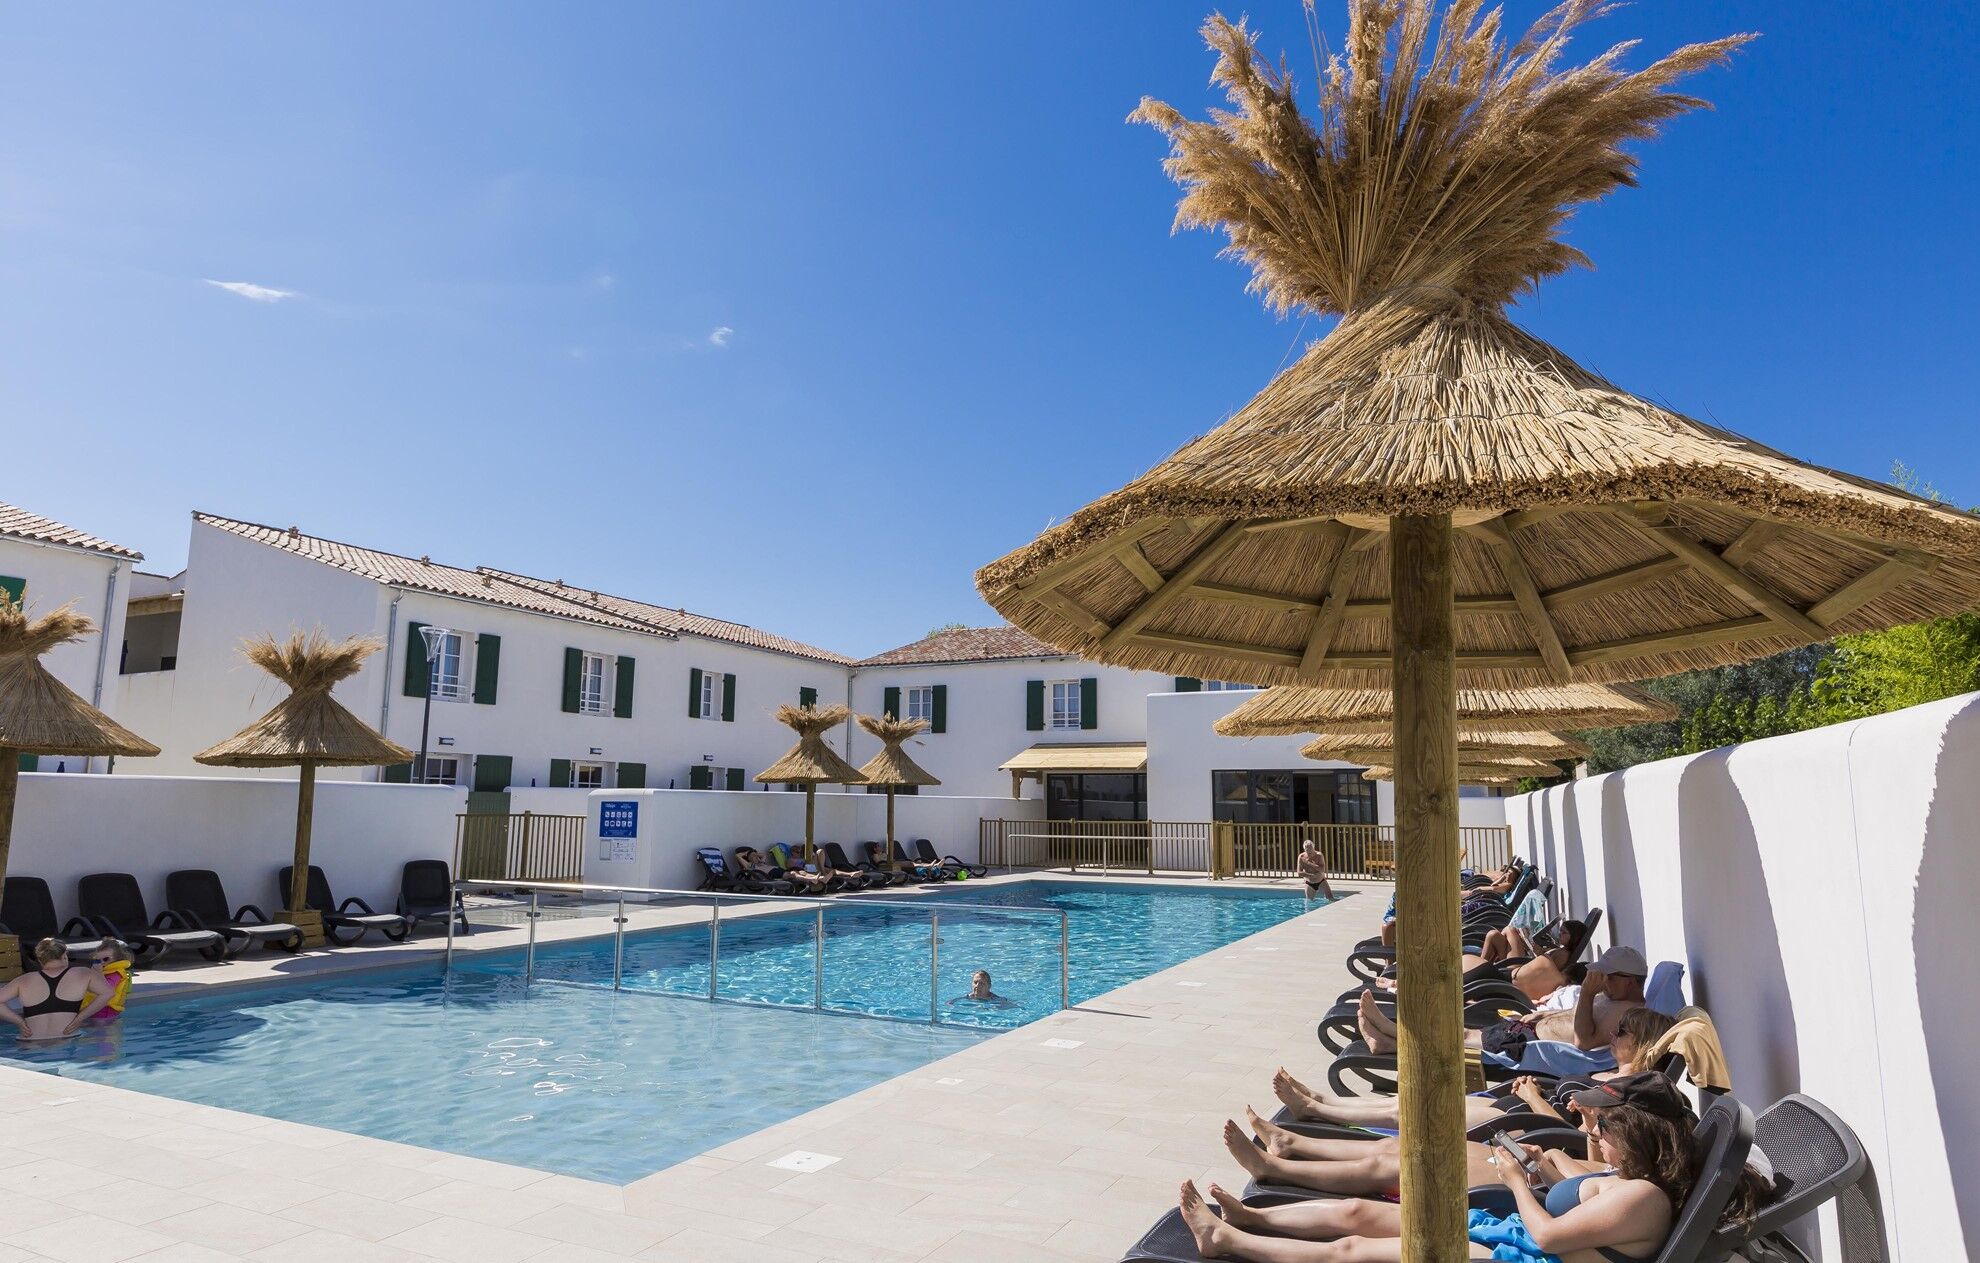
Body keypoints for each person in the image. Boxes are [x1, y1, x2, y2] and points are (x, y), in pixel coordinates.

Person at [1177, 1073, 1772, 1262]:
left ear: (1638, 1133)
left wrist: (1516, 1181)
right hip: (1506, 1236)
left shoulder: (1645, 1199)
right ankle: (1255, 1217)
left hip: (1513, 1256)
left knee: (1352, 1248)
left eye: (1605, 1128)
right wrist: (1547, 1163)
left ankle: (1227, 1239)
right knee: (1358, 1211)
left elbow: (1550, 1237)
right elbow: (1586, 1199)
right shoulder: (1634, 1184)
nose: (1594, 1133)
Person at [1271, 1008, 1681, 1134]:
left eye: (1622, 1032)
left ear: (1641, 1044)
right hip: (1518, 1105)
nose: (1612, 1034)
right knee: (1408, 1101)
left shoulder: (1631, 1090)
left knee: (1412, 1112)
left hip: (1526, 1124)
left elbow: (1581, 1134)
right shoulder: (1614, 1071)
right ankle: (1322, 1101)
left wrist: (1533, 1096)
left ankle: (1317, 1111)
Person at [1355, 946, 1650, 1059]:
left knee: (1459, 1039)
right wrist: (1540, 1015)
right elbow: (1574, 1014)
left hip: (1530, 1048)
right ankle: (1390, 1040)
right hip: (1529, 1029)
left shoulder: (1629, 1013)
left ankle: (1391, 1032)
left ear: (1631, 981)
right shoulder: (1611, 996)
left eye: (1609, 976)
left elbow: (1583, 1041)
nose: (1603, 981)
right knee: (1460, 1033)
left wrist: (1586, 994)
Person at [0, 939, 115, 1042]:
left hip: (30, 1043)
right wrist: (80, 1018)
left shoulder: (24, 980)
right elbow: (108, 993)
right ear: (64, 956)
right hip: (67, 1040)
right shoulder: (83, 973)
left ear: (40, 960)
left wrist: (19, 1022)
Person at [87, 941, 134, 1023]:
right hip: (99, 1008)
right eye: (97, 961)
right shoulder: (105, 971)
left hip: (106, 1010)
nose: (102, 962)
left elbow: (106, 989)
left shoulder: (116, 974)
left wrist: (99, 973)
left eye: (106, 959)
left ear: (117, 959)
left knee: (102, 1029)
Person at [950, 969, 1014, 1008]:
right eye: (975, 982)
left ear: (989, 986)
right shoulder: (966, 998)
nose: (977, 986)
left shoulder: (997, 1000)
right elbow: (949, 1003)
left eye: (981, 983)